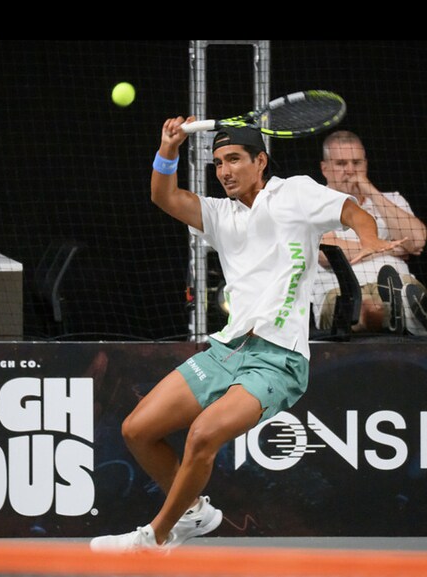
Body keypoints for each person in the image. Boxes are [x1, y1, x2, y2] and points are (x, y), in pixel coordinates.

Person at [90, 119, 405, 551]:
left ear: (260, 161)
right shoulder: (220, 215)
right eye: (219, 163)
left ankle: (154, 538)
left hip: (278, 360)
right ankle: (194, 512)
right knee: (137, 429)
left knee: (203, 435)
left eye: (234, 159)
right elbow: (164, 196)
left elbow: (352, 212)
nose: (225, 171)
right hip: (228, 350)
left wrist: (368, 239)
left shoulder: (295, 193)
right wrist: (168, 149)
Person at [312, 130, 427, 335]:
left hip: (400, 283)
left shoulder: (393, 200)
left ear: (365, 164)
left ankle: (403, 311)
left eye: (356, 163)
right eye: (341, 164)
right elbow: (326, 253)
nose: (350, 170)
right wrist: (388, 247)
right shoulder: (315, 203)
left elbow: (417, 240)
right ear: (325, 168)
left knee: (408, 294)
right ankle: (398, 316)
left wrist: (369, 190)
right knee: (370, 309)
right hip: (341, 289)